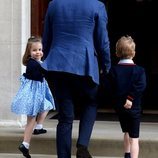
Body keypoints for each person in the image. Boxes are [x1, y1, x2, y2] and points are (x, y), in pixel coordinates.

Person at [41, 0, 111, 158]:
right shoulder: (97, 5)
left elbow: (46, 38)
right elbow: (102, 40)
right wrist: (106, 66)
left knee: (65, 116)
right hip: (85, 63)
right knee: (90, 102)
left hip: (58, 63)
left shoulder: (54, 4)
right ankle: (82, 145)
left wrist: (47, 60)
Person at [11, 36, 55, 158]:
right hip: (33, 94)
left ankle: (39, 127)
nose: (38, 52)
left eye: (40, 49)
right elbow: (37, 75)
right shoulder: (32, 64)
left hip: (39, 92)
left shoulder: (39, 62)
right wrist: (45, 71)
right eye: (34, 50)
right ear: (29, 53)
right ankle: (25, 144)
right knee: (31, 120)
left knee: (47, 105)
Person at [108, 36, 146, 158]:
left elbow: (110, 87)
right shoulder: (139, 71)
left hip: (120, 107)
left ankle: (127, 154)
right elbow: (140, 85)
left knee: (126, 132)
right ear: (133, 53)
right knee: (134, 137)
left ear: (117, 52)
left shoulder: (113, 70)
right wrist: (130, 98)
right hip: (134, 108)